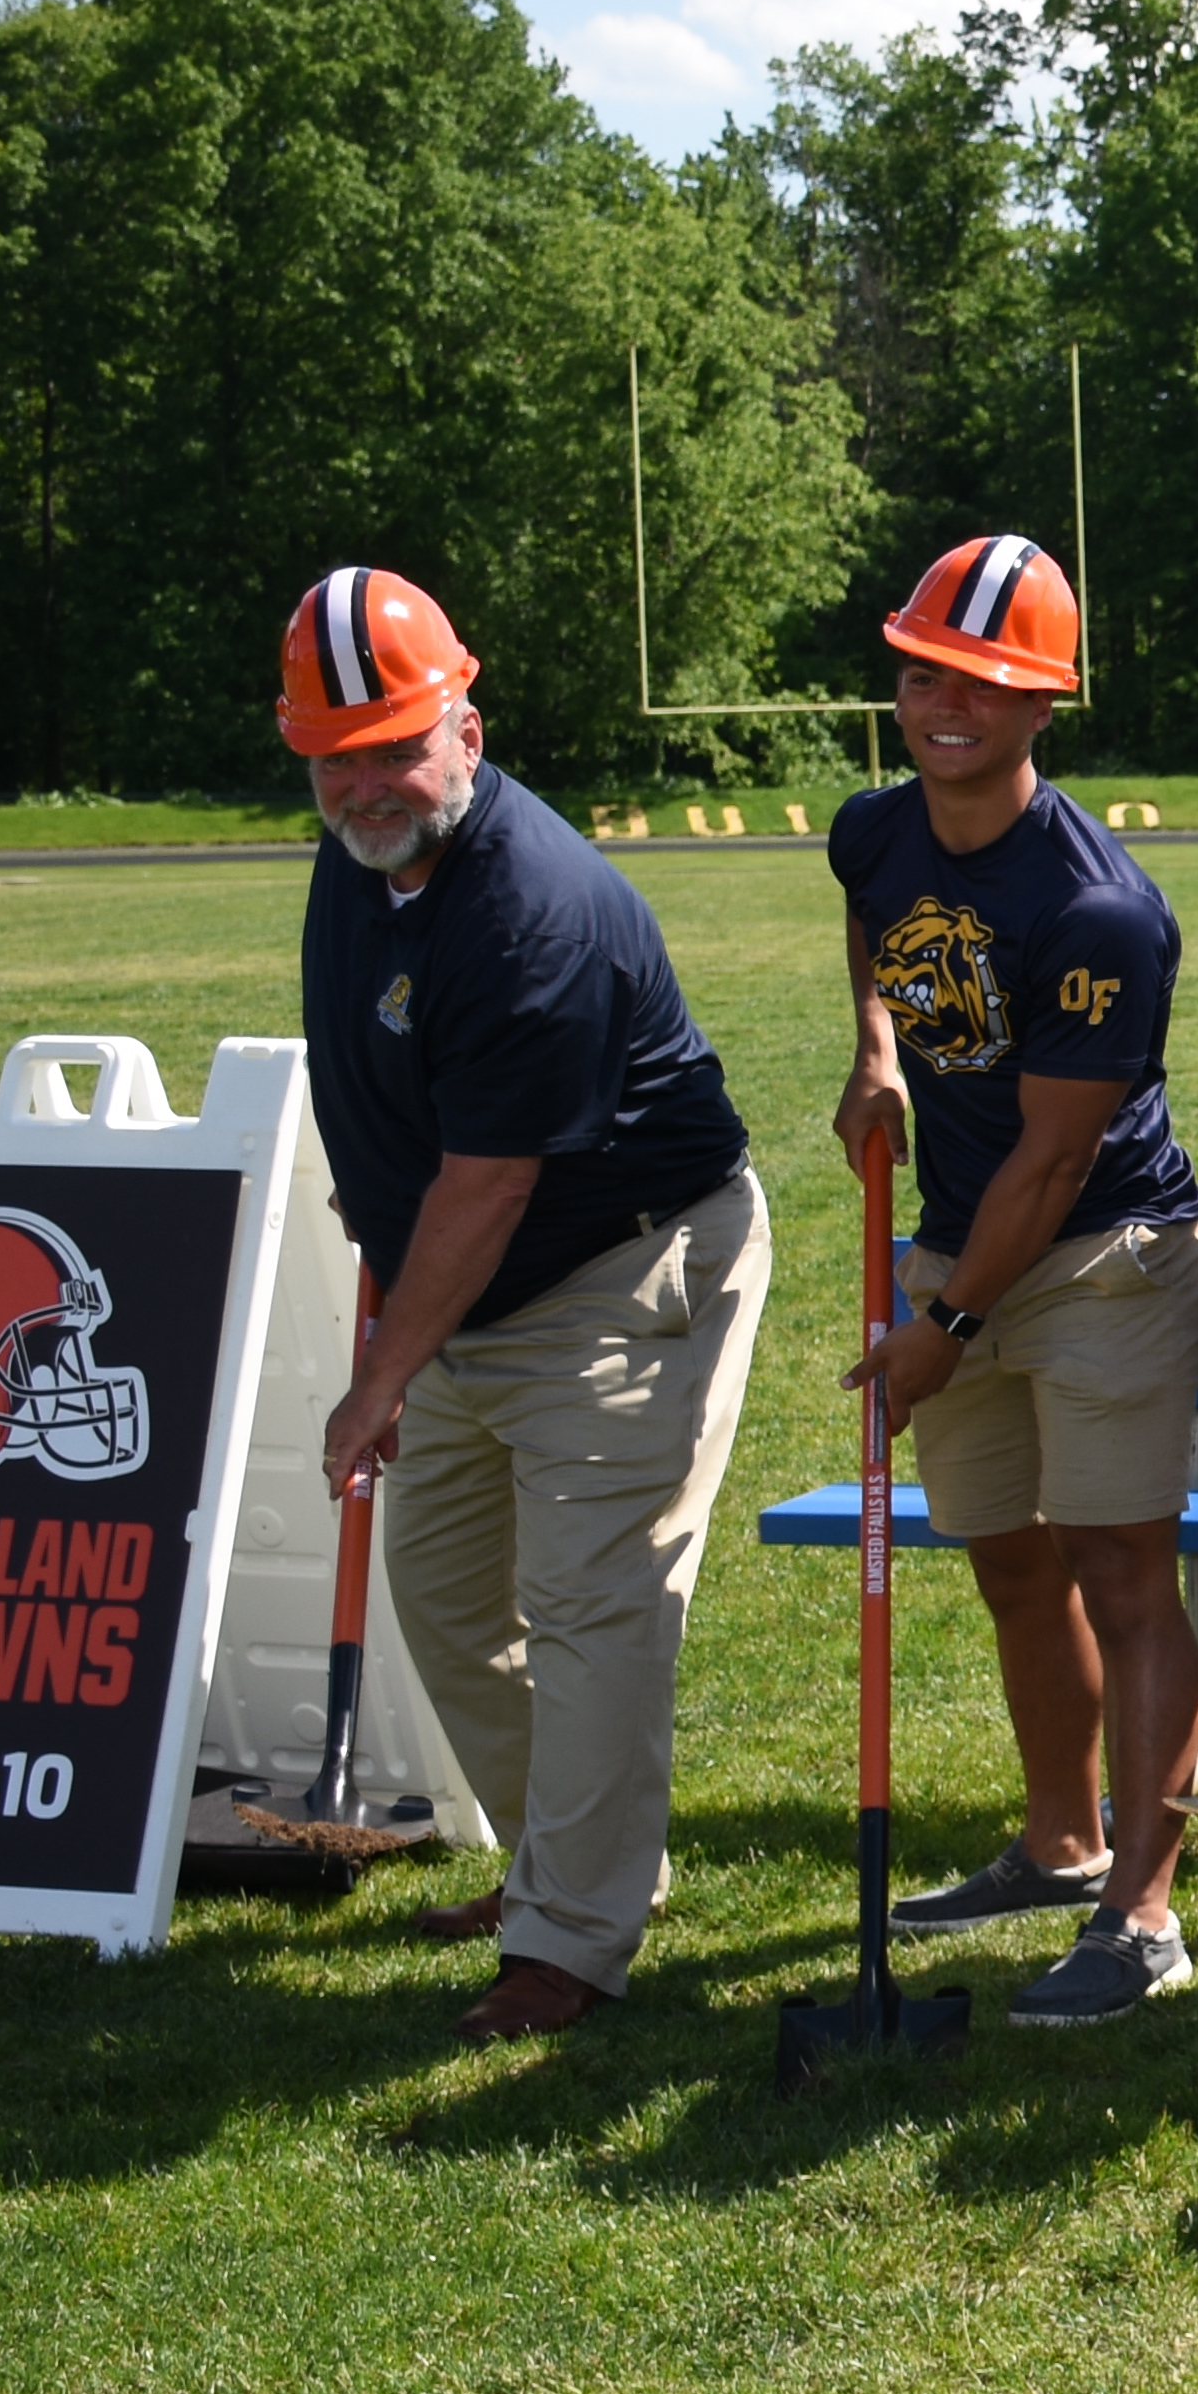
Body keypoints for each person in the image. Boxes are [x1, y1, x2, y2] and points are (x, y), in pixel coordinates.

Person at [279, 568, 766, 2043]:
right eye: (334, 753)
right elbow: (388, 1115)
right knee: (440, 1597)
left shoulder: (532, 911)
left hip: (623, 1272)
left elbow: (487, 1188)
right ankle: (569, 1864)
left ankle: (571, 1939)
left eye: (397, 747)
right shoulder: (366, 858)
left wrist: (377, 1376)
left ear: (467, 727)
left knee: (592, 1609)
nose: (366, 782)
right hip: (466, 1282)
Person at [829, 533, 1198, 2026]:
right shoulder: (874, 830)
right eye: (930, 670)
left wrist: (941, 1324)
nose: (950, 703)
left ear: (1041, 703)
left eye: (988, 683)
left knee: (1121, 1569)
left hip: (1103, 1255)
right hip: (959, 1232)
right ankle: (1058, 1843)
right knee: (1008, 1560)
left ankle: (1142, 1908)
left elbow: (1057, 1166)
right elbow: (872, 920)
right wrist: (877, 1055)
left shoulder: (1099, 912)